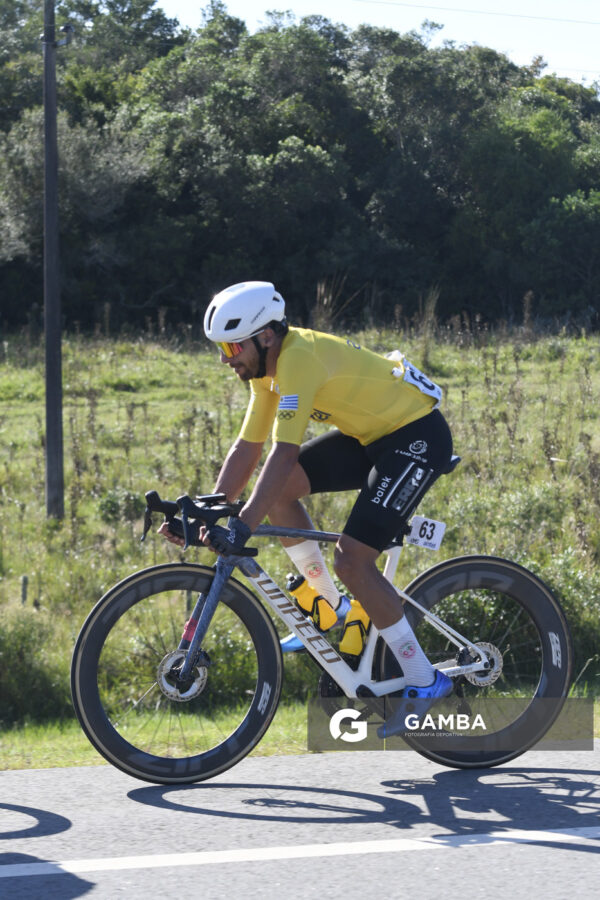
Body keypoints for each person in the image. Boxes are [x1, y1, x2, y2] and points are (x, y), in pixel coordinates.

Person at [160, 281, 453, 736]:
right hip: (371, 437)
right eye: (221, 347)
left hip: (416, 436)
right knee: (278, 491)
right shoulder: (266, 374)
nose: (225, 358)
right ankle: (329, 603)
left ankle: (423, 679)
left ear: (266, 337)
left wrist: (242, 524)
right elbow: (248, 447)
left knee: (353, 558)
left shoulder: (298, 360)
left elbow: (280, 454)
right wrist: (211, 511)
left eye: (232, 346)